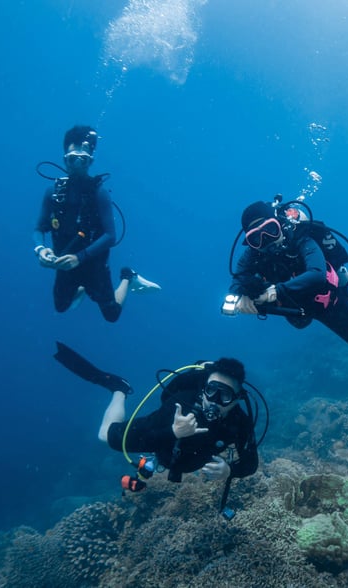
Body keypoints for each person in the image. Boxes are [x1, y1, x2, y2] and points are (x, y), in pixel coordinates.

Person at [53, 342, 258, 486]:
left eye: (225, 396)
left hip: (186, 460)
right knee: (104, 434)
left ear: (237, 399)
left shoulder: (240, 421)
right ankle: (119, 388)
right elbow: (119, 442)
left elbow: (251, 463)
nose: (214, 401)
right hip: (163, 445)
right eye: (211, 390)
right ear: (203, 388)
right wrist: (173, 432)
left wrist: (230, 471)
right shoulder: (181, 405)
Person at [228, 199, 348, 349]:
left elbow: (317, 274)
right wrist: (241, 296)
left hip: (327, 302)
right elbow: (237, 281)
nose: (266, 239)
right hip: (296, 309)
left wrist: (275, 291)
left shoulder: (301, 238)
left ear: (280, 223)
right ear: (250, 243)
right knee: (301, 324)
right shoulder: (252, 254)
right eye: (256, 238)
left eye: (270, 229)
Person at [33, 125, 160, 322]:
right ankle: (82, 288)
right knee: (60, 307)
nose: (76, 165)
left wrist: (80, 257)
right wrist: (41, 249)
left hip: (94, 265)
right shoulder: (53, 193)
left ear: (90, 161)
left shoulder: (99, 193)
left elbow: (110, 235)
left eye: (82, 160)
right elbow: (39, 228)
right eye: (72, 159)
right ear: (64, 159)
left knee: (111, 315)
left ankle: (128, 276)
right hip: (65, 262)